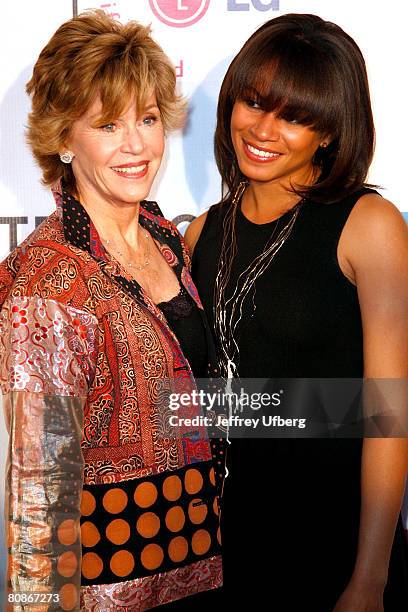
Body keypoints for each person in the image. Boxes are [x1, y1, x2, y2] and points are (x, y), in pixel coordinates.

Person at [0, 11, 224, 611]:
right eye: (107, 125)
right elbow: (39, 493)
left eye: (148, 120)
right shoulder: (49, 278)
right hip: (109, 593)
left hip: (198, 570)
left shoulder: (163, 237)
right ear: (62, 140)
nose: (136, 145)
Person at [186, 13, 408, 611]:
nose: (263, 129)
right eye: (254, 102)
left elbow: (390, 413)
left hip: (331, 550)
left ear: (330, 132)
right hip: (222, 550)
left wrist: (369, 579)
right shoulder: (204, 231)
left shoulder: (368, 226)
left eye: (295, 115)